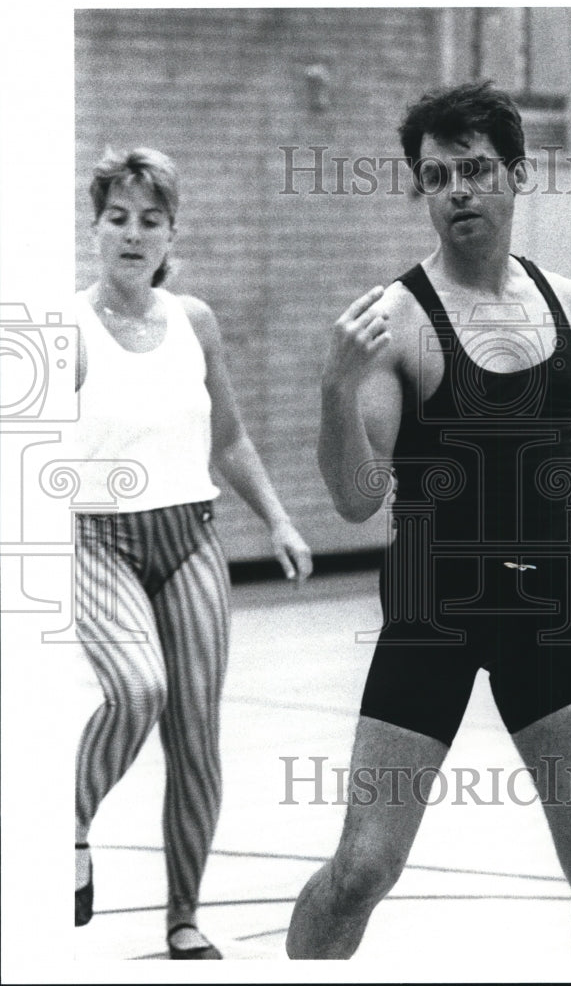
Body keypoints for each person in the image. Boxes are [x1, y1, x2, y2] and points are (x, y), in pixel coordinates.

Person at [285, 83, 571, 961]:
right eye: (437, 175)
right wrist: (336, 392)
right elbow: (354, 494)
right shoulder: (398, 320)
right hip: (431, 614)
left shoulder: (569, 305)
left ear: (517, 175)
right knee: (362, 870)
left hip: (547, 608)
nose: (457, 189)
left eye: (475, 169)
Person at [73, 147, 312, 959]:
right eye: (118, 217)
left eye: (150, 220)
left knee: (196, 735)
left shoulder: (194, 320)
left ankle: (183, 918)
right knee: (137, 688)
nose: (133, 234)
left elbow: (231, 436)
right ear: (95, 225)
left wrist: (278, 520)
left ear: (171, 231)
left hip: (190, 541)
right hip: (99, 538)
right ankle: (65, 821)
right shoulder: (62, 329)